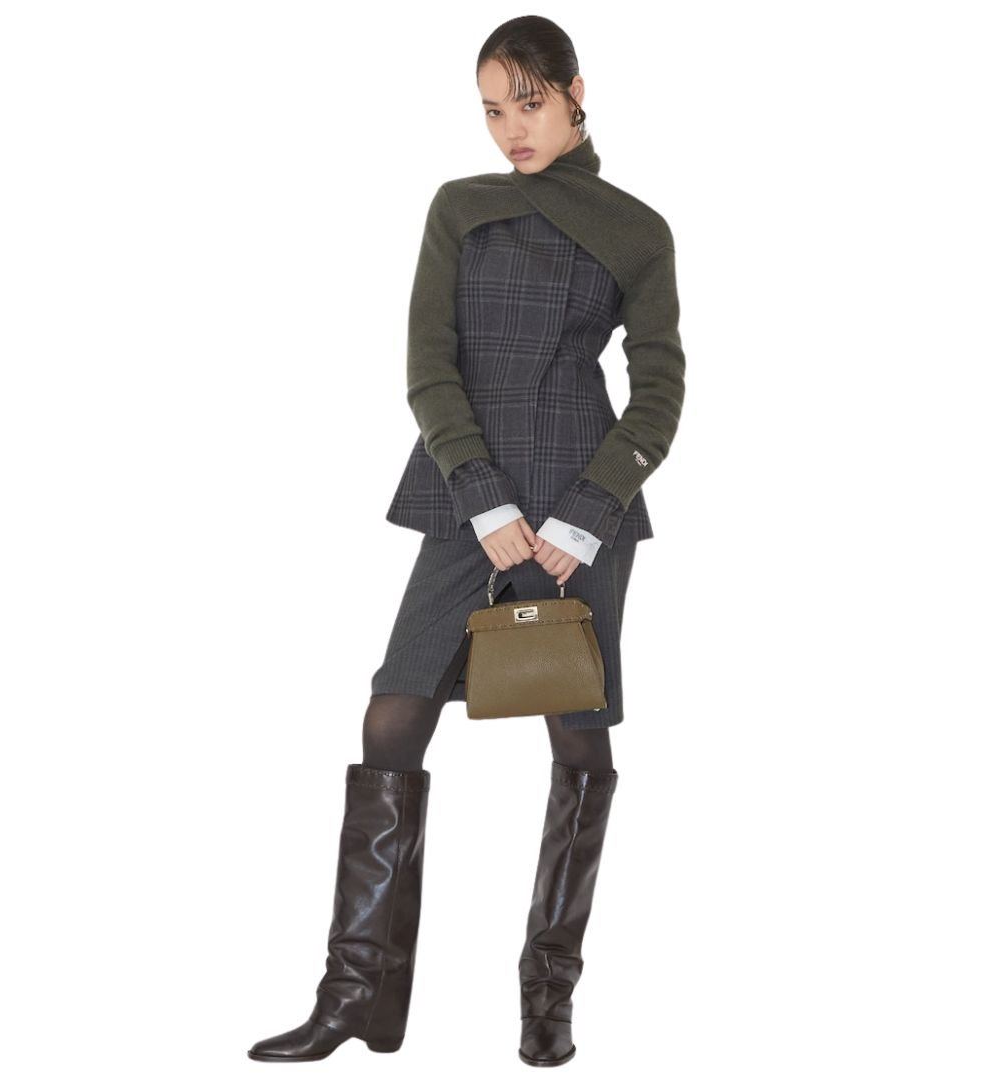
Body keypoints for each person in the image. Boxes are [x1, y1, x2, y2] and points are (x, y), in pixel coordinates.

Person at [247, 14, 685, 1068]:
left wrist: (587, 514)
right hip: (466, 504)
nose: (510, 129)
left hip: (579, 516)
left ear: (576, 93)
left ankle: (547, 999)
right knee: (393, 715)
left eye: (528, 103)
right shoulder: (461, 207)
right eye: (492, 110)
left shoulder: (639, 230)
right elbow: (427, 366)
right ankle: (357, 993)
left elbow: (660, 389)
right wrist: (485, 504)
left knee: (577, 737)